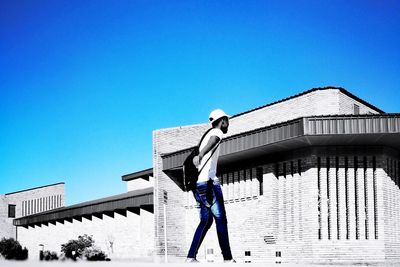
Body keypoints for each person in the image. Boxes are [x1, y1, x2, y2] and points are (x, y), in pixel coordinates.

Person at [186, 109, 235, 263]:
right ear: (222, 121)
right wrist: (200, 155)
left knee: (205, 222)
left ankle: (190, 256)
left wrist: (201, 155)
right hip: (209, 184)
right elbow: (213, 140)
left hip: (197, 184)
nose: (228, 123)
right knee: (221, 219)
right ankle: (228, 259)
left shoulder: (206, 133)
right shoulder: (216, 132)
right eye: (227, 120)